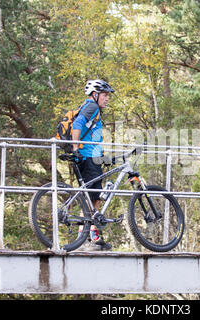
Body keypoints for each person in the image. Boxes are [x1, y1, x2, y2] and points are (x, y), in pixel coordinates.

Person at [71, 79, 114, 251]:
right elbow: (77, 124)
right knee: (91, 199)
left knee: (93, 199)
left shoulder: (92, 108)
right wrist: (75, 148)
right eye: (104, 95)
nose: (107, 99)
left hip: (93, 157)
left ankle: (89, 236)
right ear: (95, 95)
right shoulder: (91, 106)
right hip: (88, 158)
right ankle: (88, 238)